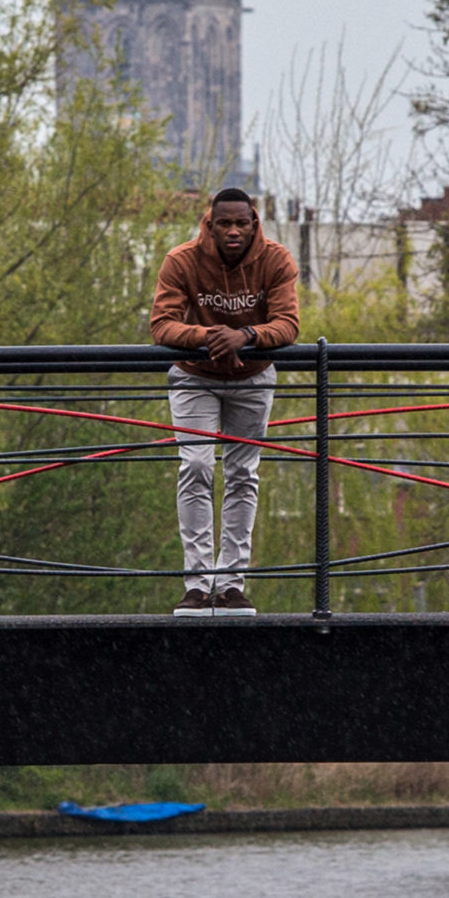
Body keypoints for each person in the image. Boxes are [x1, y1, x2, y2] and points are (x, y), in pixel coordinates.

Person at [149, 187, 301, 613]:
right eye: (225, 224)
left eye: (242, 223)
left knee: (242, 473)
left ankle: (231, 584)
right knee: (195, 465)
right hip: (194, 375)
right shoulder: (181, 260)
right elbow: (162, 325)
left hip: (252, 377)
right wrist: (211, 339)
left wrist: (248, 336)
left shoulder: (276, 260)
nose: (233, 231)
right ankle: (197, 584)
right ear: (210, 225)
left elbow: (288, 324)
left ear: (254, 224)